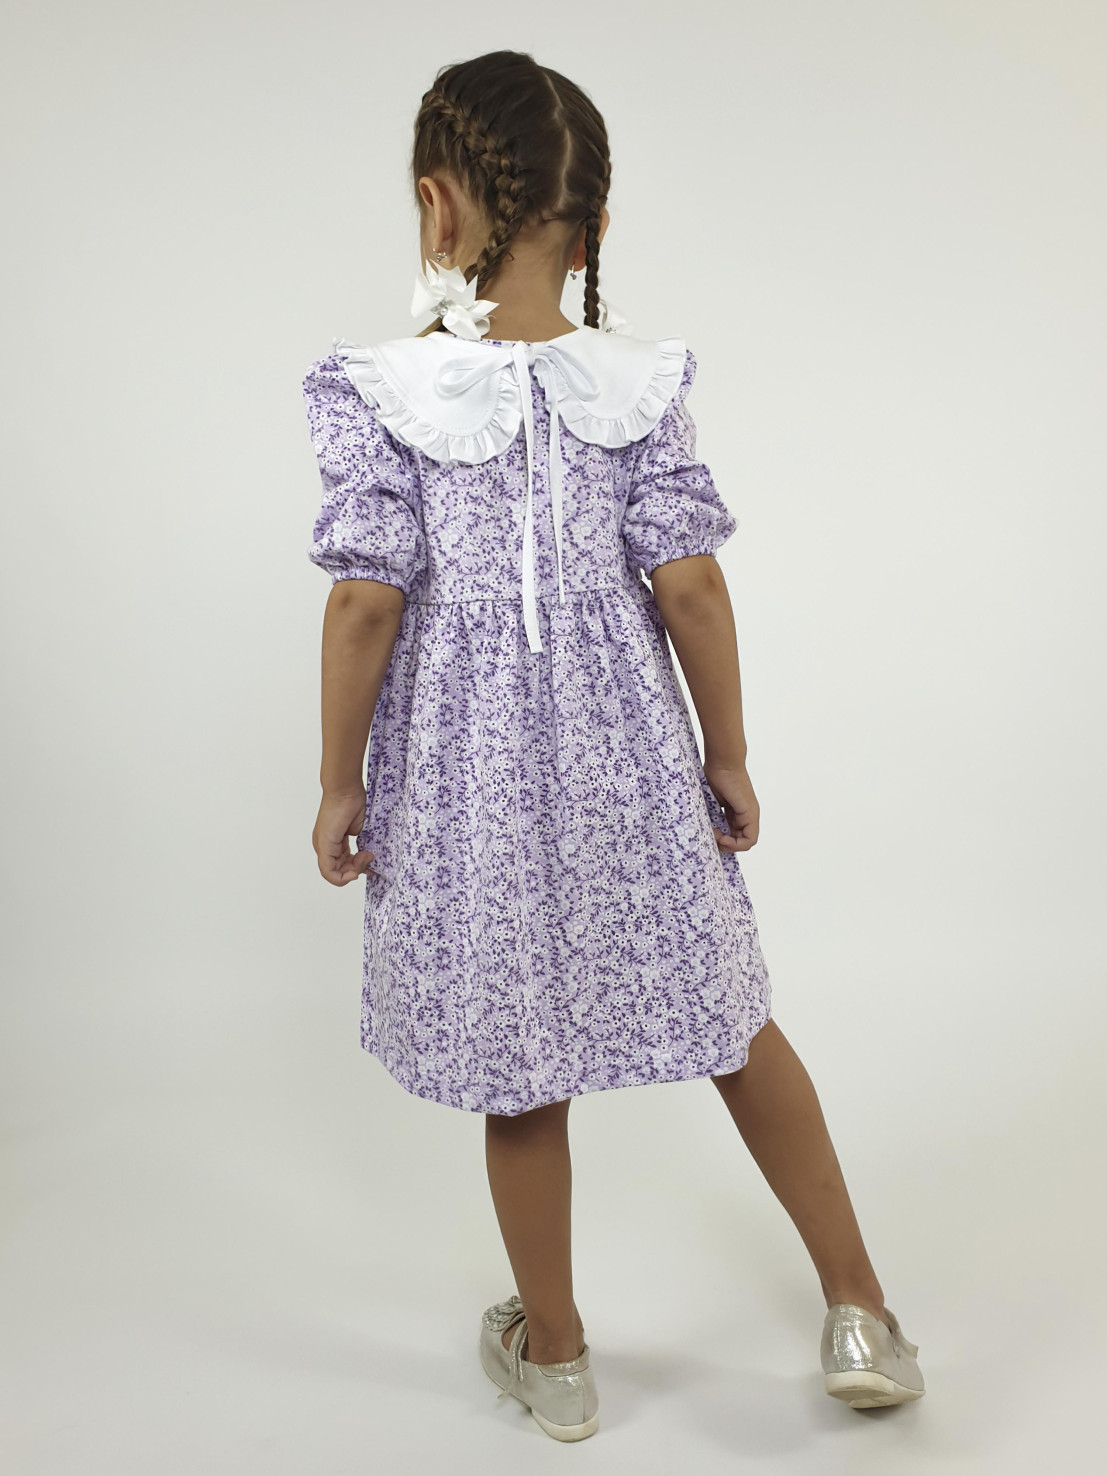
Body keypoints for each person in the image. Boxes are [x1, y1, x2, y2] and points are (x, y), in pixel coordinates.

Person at [302, 49, 924, 1444]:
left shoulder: (384, 392)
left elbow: (363, 605)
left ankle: (562, 1357)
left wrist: (342, 779)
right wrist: (728, 751)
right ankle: (859, 1308)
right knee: (732, 1021)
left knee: (523, 1068)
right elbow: (689, 585)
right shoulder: (633, 384)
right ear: (590, 229)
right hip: (630, 757)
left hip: (469, 778)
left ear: (435, 206)